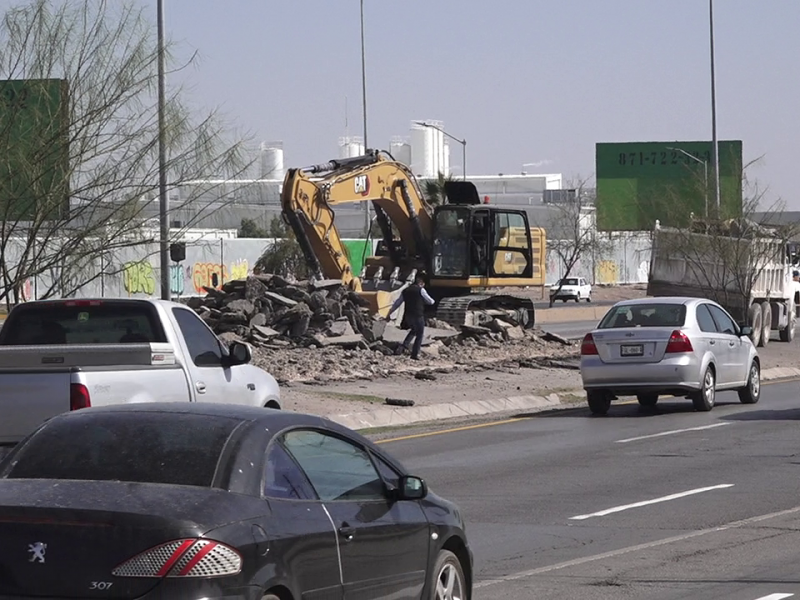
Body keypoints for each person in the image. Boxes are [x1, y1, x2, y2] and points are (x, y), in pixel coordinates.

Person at [387, 273, 435, 360]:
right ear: (421, 282)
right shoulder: (421, 290)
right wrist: (423, 301)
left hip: (408, 316)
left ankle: (402, 348)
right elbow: (431, 301)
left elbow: (397, 303)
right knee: (420, 334)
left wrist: (389, 314)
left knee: (413, 331)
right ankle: (415, 354)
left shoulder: (405, 291)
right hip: (418, 315)